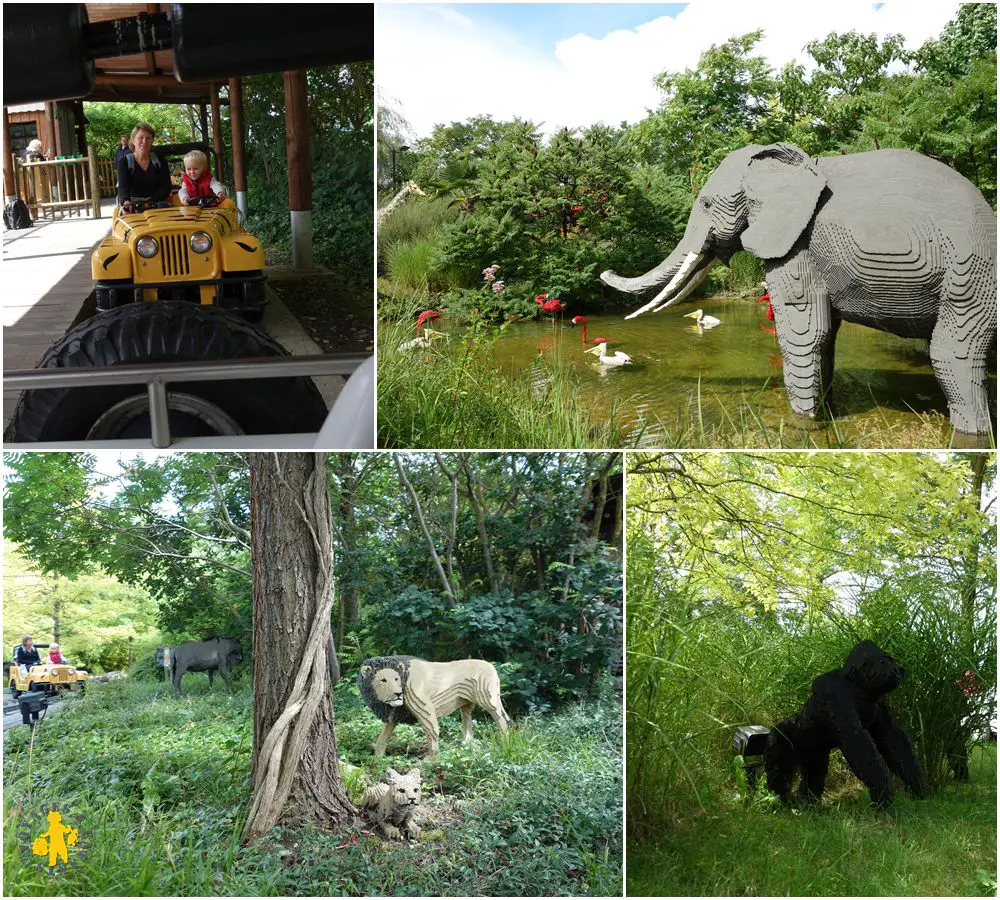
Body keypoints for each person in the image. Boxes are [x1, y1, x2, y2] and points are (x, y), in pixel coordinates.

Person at [117, 122, 171, 213]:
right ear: (133, 140)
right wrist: (126, 202)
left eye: (148, 138)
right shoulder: (125, 162)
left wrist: (148, 203)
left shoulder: (159, 160)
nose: (144, 141)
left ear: (152, 141)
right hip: (133, 206)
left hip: (156, 204)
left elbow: (166, 187)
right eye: (140, 138)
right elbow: (123, 187)